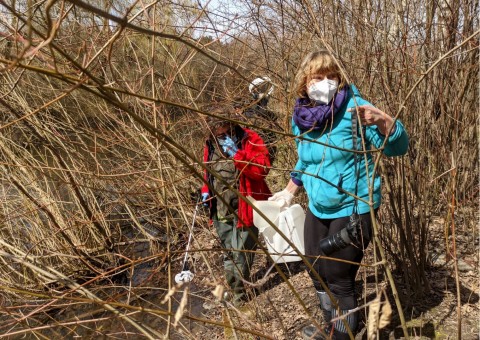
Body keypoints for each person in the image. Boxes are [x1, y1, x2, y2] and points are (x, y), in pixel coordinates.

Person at [268, 50, 409, 339]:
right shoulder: (302, 116)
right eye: (317, 77)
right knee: (315, 268)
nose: (325, 83)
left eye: (331, 77)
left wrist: (383, 120)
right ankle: (330, 325)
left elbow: (398, 148)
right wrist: (289, 190)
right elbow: (306, 159)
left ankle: (342, 335)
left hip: (353, 206)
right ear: (304, 82)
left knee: (339, 278)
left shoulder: (355, 108)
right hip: (319, 206)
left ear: (340, 79)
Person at [201, 104, 272, 306]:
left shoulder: (249, 138)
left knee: (240, 255)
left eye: (224, 127)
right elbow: (207, 171)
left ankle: (239, 298)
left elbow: (262, 170)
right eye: (215, 129)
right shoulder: (210, 144)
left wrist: (238, 155)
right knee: (228, 253)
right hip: (221, 209)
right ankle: (232, 293)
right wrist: (205, 190)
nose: (220, 133)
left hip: (246, 208)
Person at [234, 76, 279, 164]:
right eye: (259, 89)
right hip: (256, 146)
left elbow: (272, 119)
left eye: (263, 88)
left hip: (267, 144)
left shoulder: (265, 106)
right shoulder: (250, 109)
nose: (261, 91)